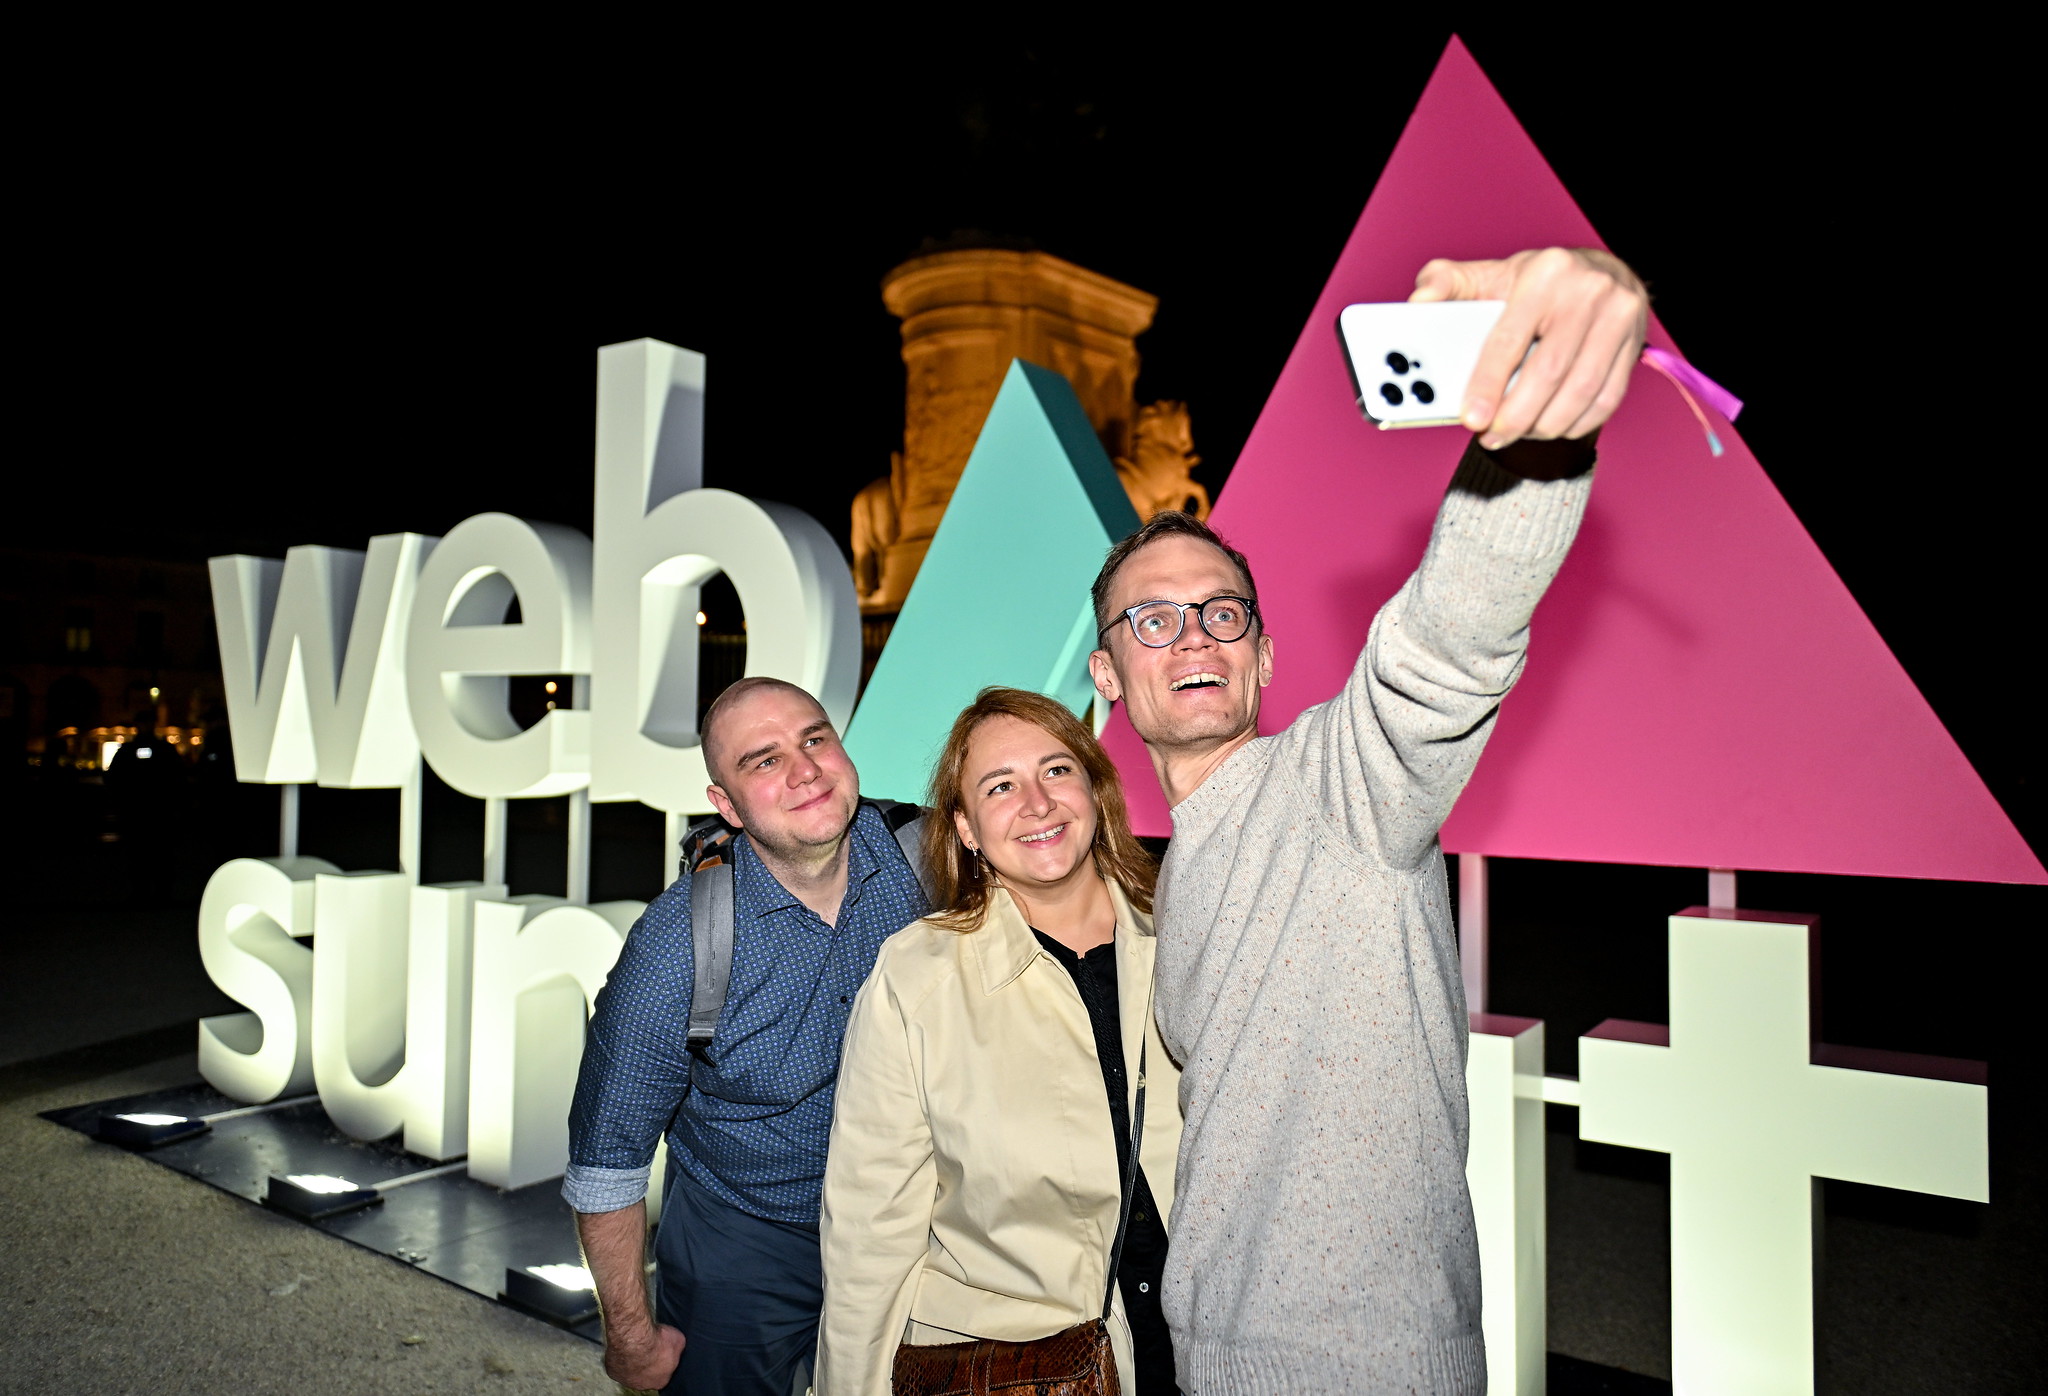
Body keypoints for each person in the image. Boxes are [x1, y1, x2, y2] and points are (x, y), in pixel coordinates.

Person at [1084, 247, 1648, 1394]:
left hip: (1368, 1361)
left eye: (1221, 611)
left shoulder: (1338, 788)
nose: (1193, 633)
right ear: (1106, 675)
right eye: (1153, 619)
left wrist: (1538, 415)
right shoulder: (1178, 868)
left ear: (1264, 656)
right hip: (1213, 1354)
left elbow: (1446, 638)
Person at [563, 676, 932, 1395]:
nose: (804, 770)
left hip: (910, 1215)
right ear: (726, 807)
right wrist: (632, 1338)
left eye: (815, 739)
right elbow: (608, 1158)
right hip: (746, 1230)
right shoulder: (676, 949)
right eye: (763, 761)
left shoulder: (926, 861)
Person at [815, 687, 1184, 1396]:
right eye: (1000, 786)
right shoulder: (915, 980)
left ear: (1096, 791)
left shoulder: (1190, 932)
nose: (1037, 804)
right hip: (1019, 1366)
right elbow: (870, 1232)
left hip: (1202, 1347)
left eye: (1056, 771)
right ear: (967, 828)